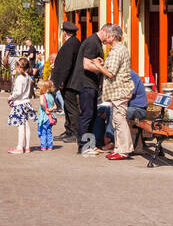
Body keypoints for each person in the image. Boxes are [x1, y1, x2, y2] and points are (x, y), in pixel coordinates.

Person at [96, 24, 135, 160]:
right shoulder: (119, 49)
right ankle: (119, 148)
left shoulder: (117, 50)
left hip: (120, 90)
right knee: (116, 120)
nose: (104, 37)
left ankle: (124, 150)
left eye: (107, 35)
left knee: (119, 121)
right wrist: (103, 63)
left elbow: (111, 73)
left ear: (113, 36)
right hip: (120, 91)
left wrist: (97, 66)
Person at [69, 25, 109, 155]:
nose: (108, 39)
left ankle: (90, 144)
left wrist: (99, 63)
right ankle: (84, 146)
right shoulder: (92, 42)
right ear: (104, 31)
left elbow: (90, 61)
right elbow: (86, 65)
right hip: (86, 84)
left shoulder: (94, 41)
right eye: (108, 36)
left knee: (91, 115)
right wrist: (103, 70)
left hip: (90, 84)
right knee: (87, 115)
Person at [49, 22, 81, 141]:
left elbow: (66, 65)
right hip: (69, 81)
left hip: (69, 82)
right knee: (67, 107)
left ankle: (74, 132)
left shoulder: (70, 44)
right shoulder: (74, 43)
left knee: (71, 107)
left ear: (65, 33)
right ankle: (69, 130)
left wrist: (61, 81)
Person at [6, 57, 37, 154]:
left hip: (19, 103)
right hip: (26, 102)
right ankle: (27, 146)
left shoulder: (20, 78)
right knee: (26, 125)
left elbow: (18, 91)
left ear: (19, 67)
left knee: (20, 126)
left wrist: (11, 97)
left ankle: (20, 147)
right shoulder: (27, 76)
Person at [34, 79, 58, 151]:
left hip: (44, 117)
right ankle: (50, 146)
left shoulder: (42, 96)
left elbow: (41, 103)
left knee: (43, 132)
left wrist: (45, 109)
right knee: (49, 132)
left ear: (43, 88)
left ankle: (43, 146)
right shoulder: (51, 96)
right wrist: (50, 109)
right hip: (50, 117)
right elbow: (55, 106)